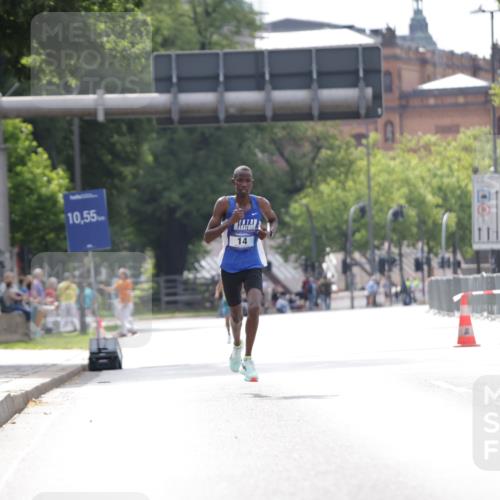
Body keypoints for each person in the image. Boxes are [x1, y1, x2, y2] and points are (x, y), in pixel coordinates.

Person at [203, 165, 278, 382]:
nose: (244, 184)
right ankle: (237, 345)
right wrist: (229, 222)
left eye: (248, 181)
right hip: (229, 265)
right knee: (236, 315)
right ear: (233, 182)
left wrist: (268, 232)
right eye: (240, 181)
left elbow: (273, 219)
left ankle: (248, 359)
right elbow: (207, 236)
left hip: (253, 262)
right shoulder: (224, 204)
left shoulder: (260, 203)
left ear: (251, 183)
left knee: (254, 306)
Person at [101, 268, 137, 337]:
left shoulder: (128, 282)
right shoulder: (119, 282)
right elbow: (112, 289)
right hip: (122, 302)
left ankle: (124, 332)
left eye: (122, 274)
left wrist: (126, 301)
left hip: (128, 302)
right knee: (118, 315)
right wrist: (104, 288)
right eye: (120, 274)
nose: (120, 275)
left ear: (125, 274)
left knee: (124, 317)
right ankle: (132, 329)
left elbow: (129, 292)